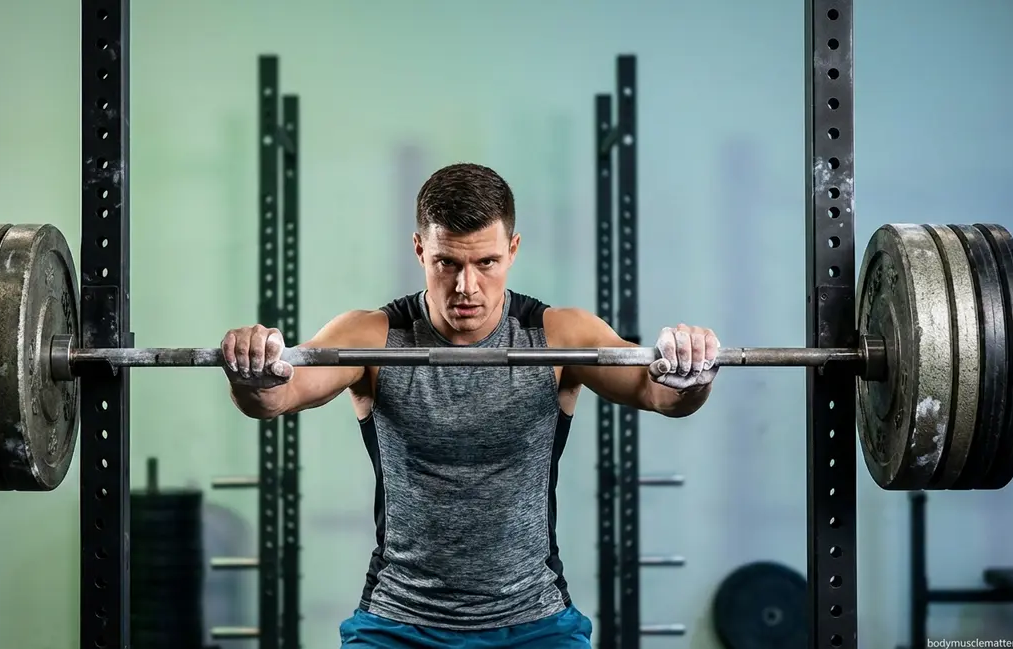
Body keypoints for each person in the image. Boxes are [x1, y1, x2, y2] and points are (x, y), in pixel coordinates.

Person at [220, 163, 720, 648]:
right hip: (398, 621)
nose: (466, 287)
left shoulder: (559, 336)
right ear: (420, 250)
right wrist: (252, 370)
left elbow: (659, 395)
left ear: (512, 250)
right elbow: (276, 397)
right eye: (447, 263)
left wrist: (691, 375)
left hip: (534, 620)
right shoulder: (372, 336)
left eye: (486, 263)